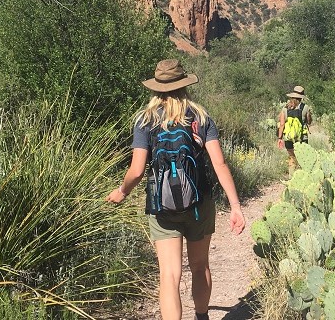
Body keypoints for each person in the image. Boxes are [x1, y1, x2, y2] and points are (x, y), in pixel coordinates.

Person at [106, 59, 246, 320]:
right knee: (200, 265)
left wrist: (121, 192)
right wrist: (235, 206)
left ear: (156, 88)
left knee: (169, 274)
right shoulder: (201, 117)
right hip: (199, 203)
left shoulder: (145, 120)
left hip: (161, 206)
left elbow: (136, 171)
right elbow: (219, 163)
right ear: (184, 86)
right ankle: (201, 316)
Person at [277, 85, 313, 170]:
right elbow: (309, 122)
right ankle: (302, 176)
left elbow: (282, 124)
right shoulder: (305, 108)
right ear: (301, 97)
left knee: (292, 157)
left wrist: (279, 138)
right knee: (303, 158)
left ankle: (292, 177)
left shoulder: (285, 108)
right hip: (302, 137)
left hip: (288, 137)